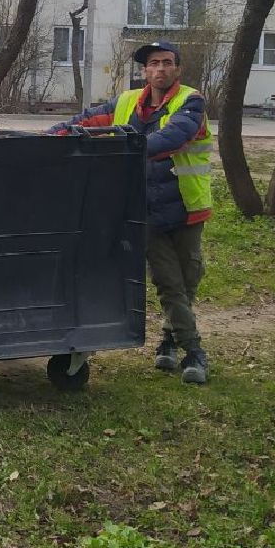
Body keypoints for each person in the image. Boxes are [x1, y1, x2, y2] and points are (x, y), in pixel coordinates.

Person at [46, 40, 213, 384]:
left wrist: (121, 150)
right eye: (154, 63)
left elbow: (171, 138)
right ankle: (195, 352)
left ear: (177, 69)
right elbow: (86, 121)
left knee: (187, 280)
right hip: (144, 210)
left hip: (187, 208)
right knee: (170, 284)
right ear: (144, 71)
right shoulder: (125, 103)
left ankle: (167, 341)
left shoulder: (191, 102)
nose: (160, 69)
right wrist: (50, 137)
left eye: (167, 62)